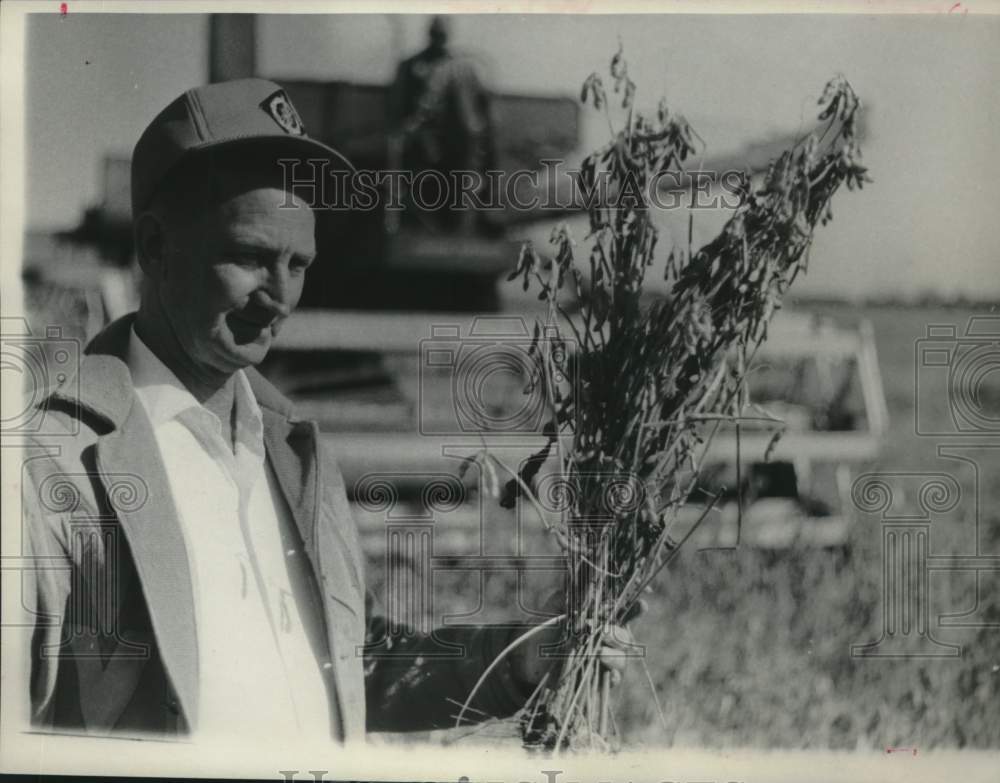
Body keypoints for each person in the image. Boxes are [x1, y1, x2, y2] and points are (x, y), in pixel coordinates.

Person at [18, 78, 634, 742]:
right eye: (250, 257)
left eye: (298, 263)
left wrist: (518, 661)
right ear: (155, 246)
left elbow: (354, 662)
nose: (280, 296)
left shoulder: (294, 452)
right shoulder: (52, 467)